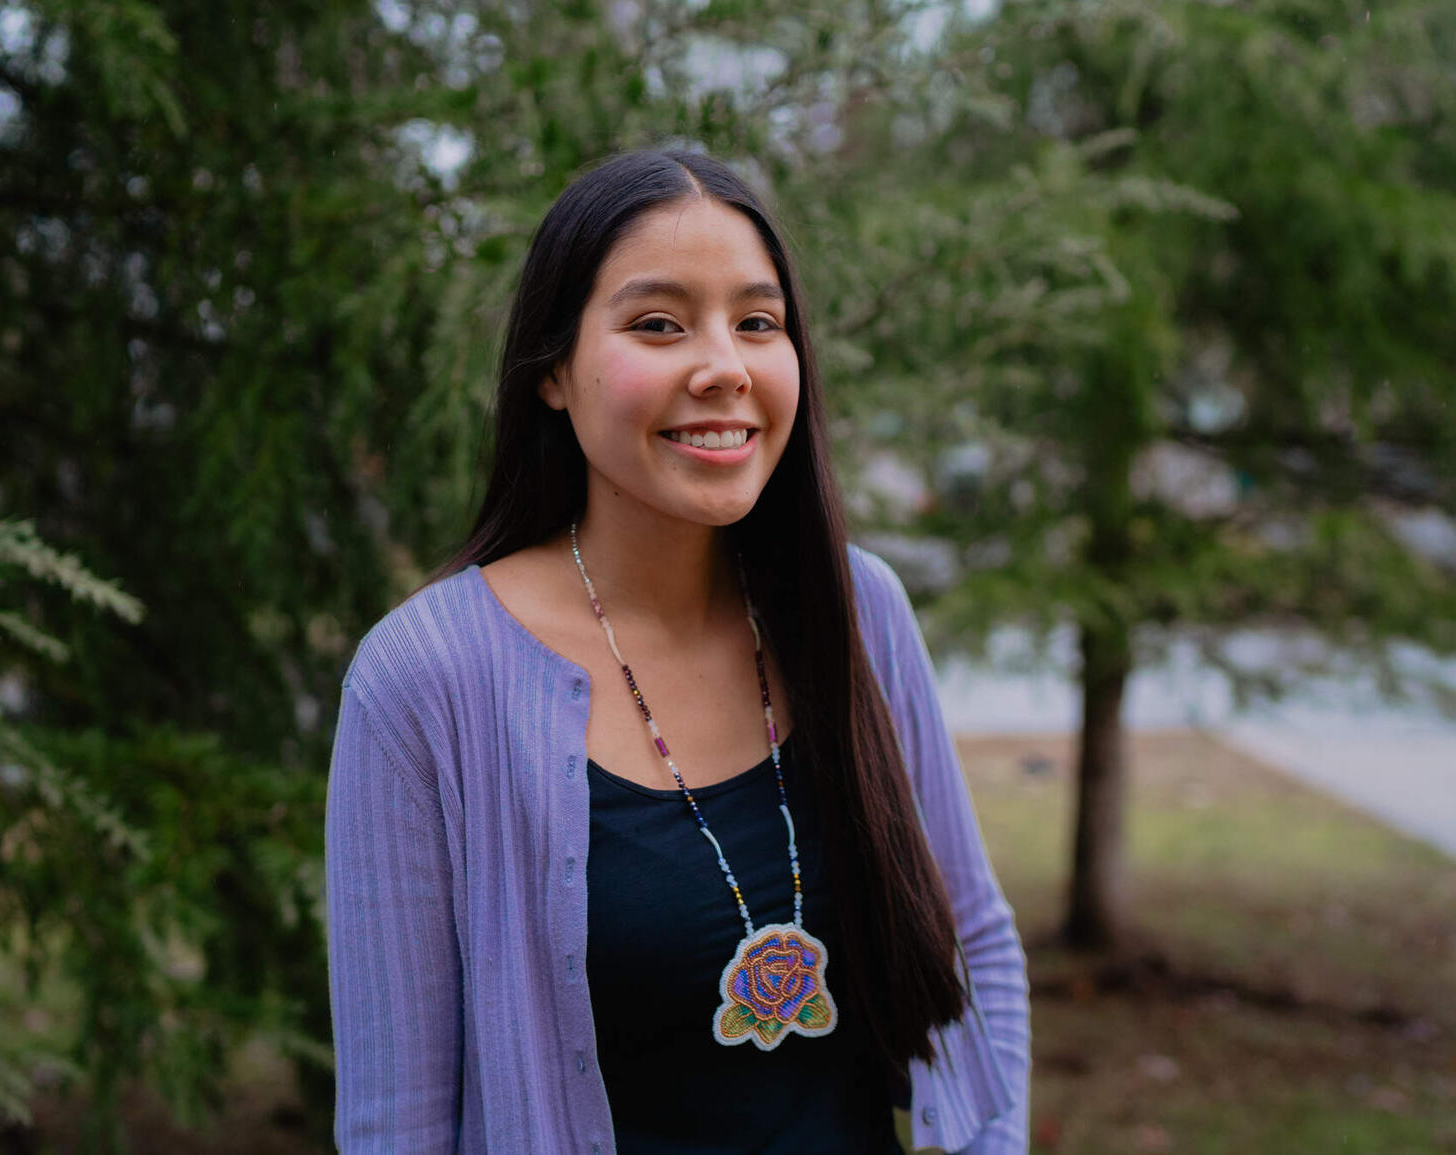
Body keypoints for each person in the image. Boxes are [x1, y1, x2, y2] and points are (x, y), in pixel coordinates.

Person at [325, 149, 1029, 1154]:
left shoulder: (855, 608)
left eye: (758, 322)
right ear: (552, 372)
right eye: (657, 324)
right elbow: (397, 1121)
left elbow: (973, 944)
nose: (723, 366)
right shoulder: (425, 680)